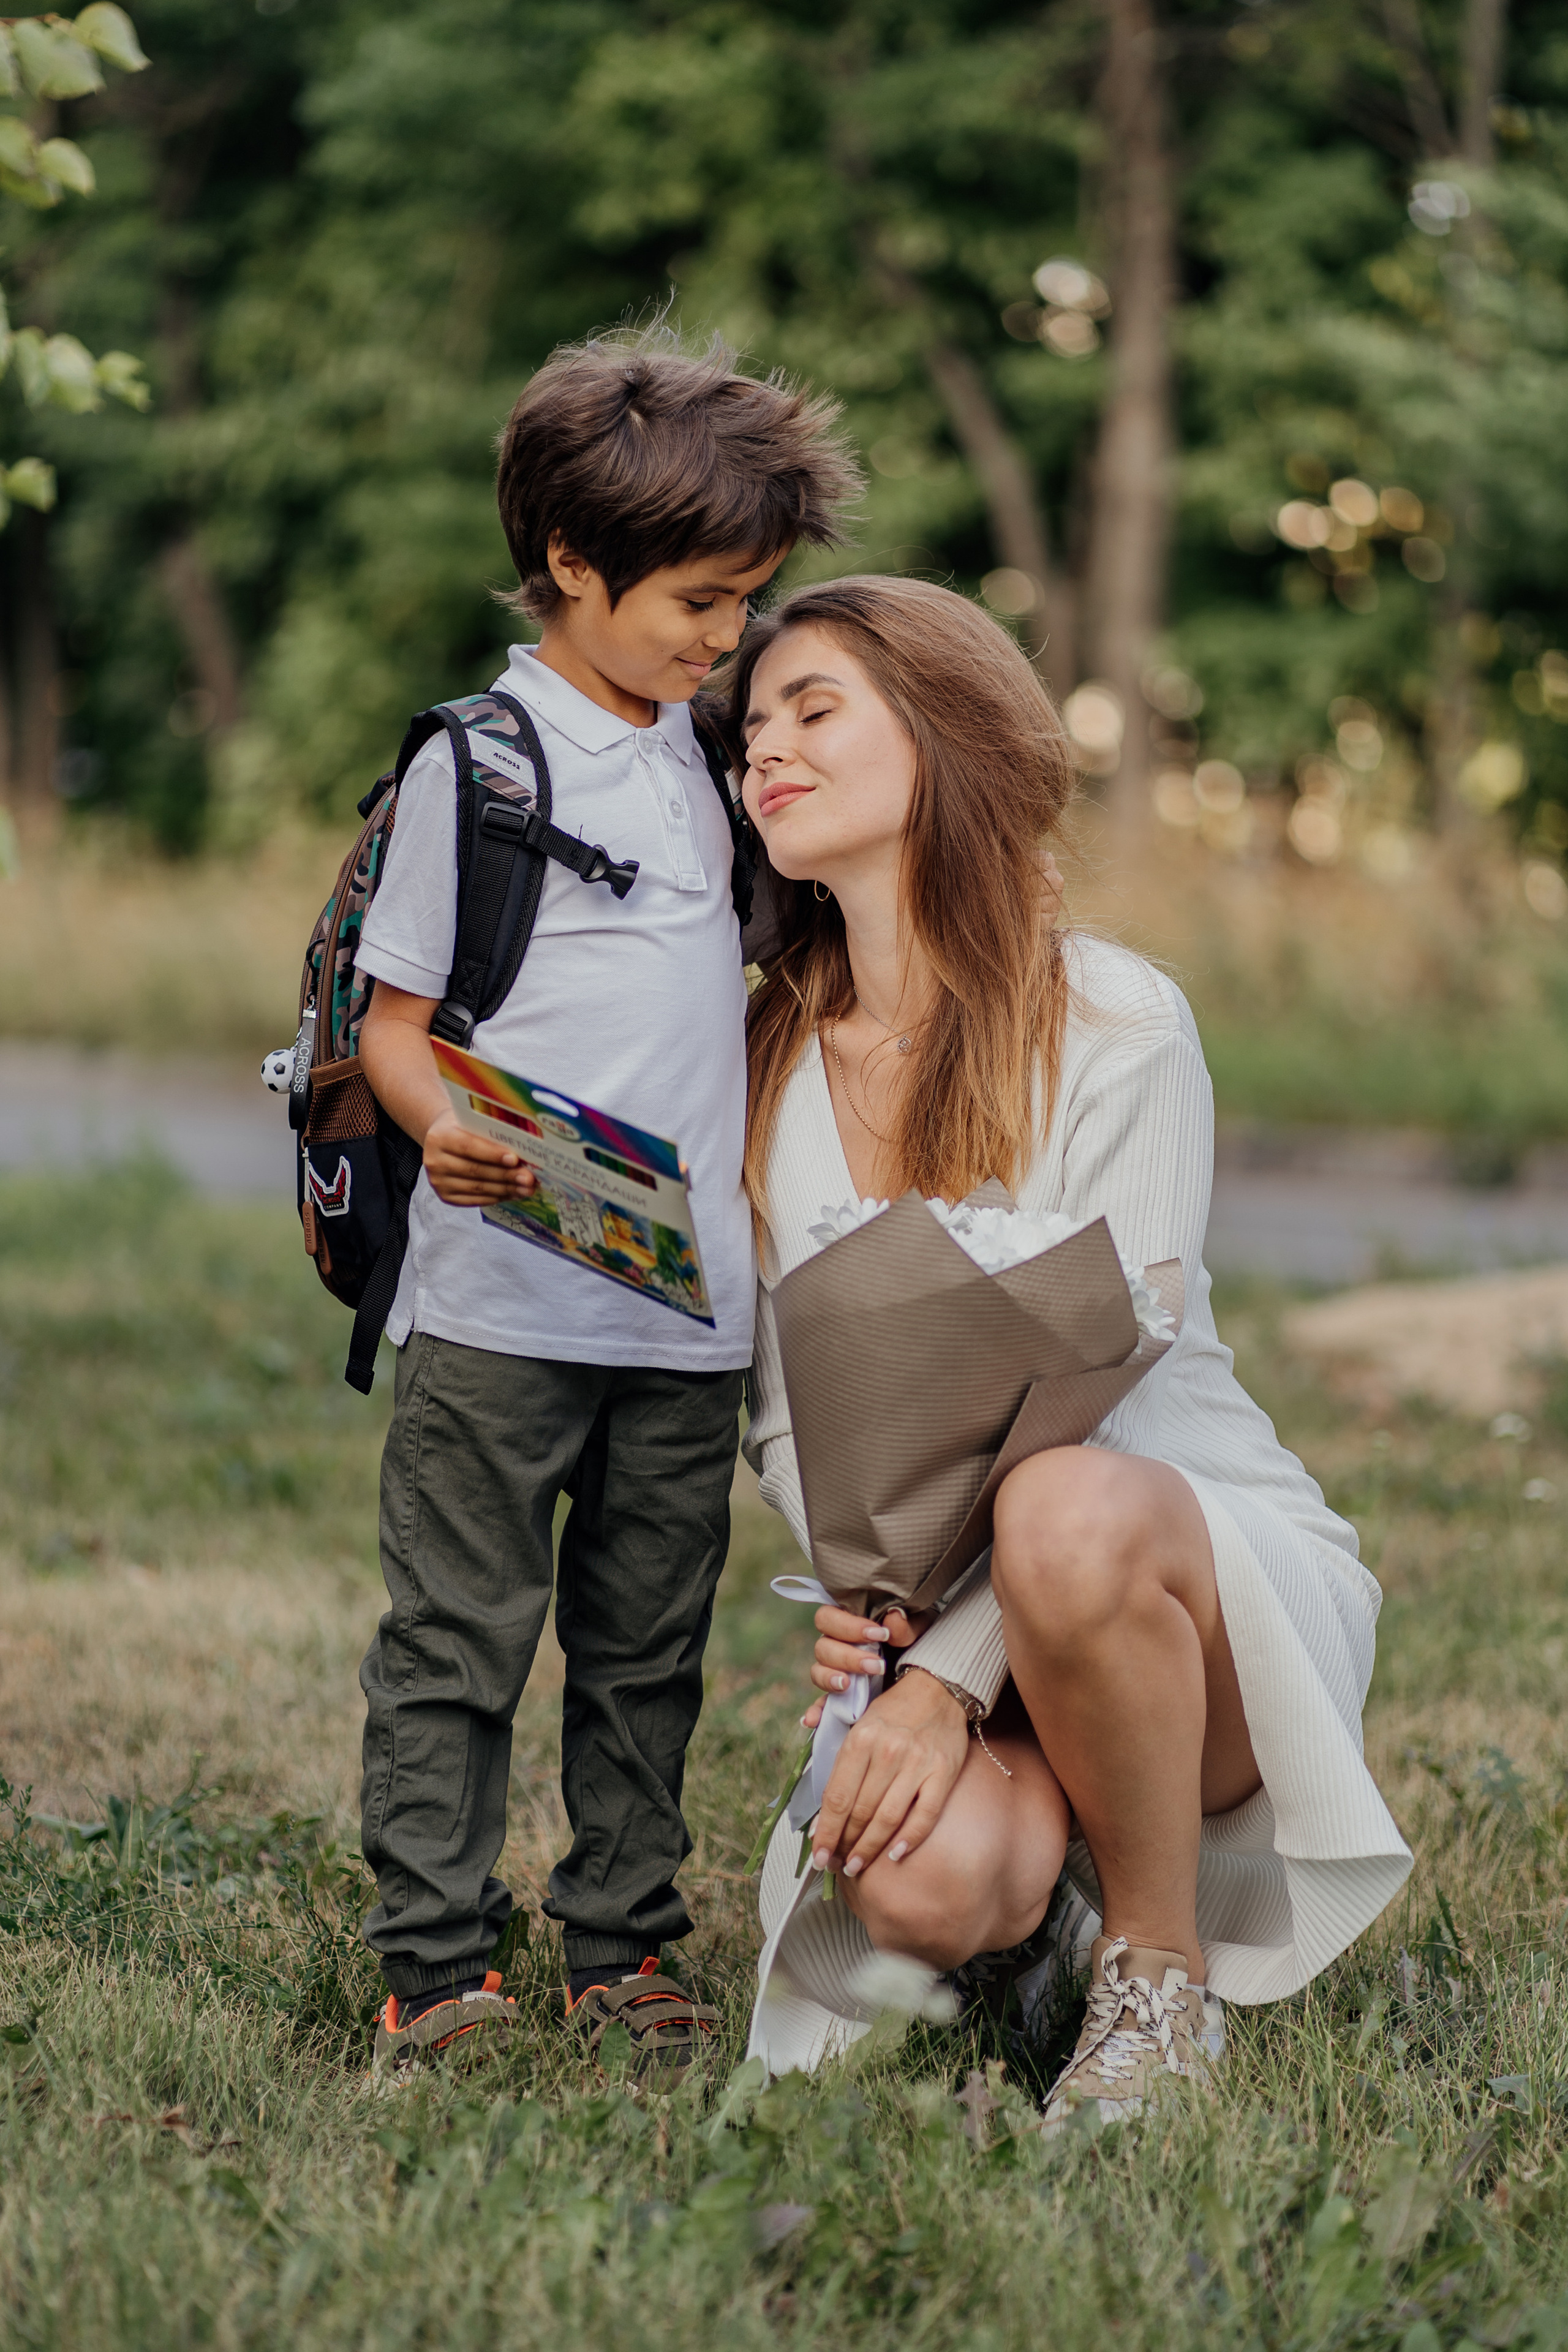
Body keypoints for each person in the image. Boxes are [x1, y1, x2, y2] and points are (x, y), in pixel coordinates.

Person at [730, 575, 1412, 2120]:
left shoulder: (1114, 1021)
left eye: (810, 710)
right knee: (916, 1890)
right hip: (952, 1605)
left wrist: (947, 1679)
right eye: (749, 726)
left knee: (1060, 1507)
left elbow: (1110, 1373)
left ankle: (1157, 1983)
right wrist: (869, 1599)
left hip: (1184, 1572)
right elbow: (780, 1402)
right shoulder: (762, 1059)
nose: (760, 748)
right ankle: (1051, 1914)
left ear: (944, 732)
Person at [350, 325, 860, 2077]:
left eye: (749, 603)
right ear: (574, 564)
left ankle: (624, 1944)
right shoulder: (483, 767)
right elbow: (395, 1024)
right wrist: (442, 1129)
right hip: (500, 1299)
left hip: (689, 1312)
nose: (729, 637)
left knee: (646, 1653)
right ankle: (435, 1961)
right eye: (702, 603)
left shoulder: (724, 757)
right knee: (461, 1638)